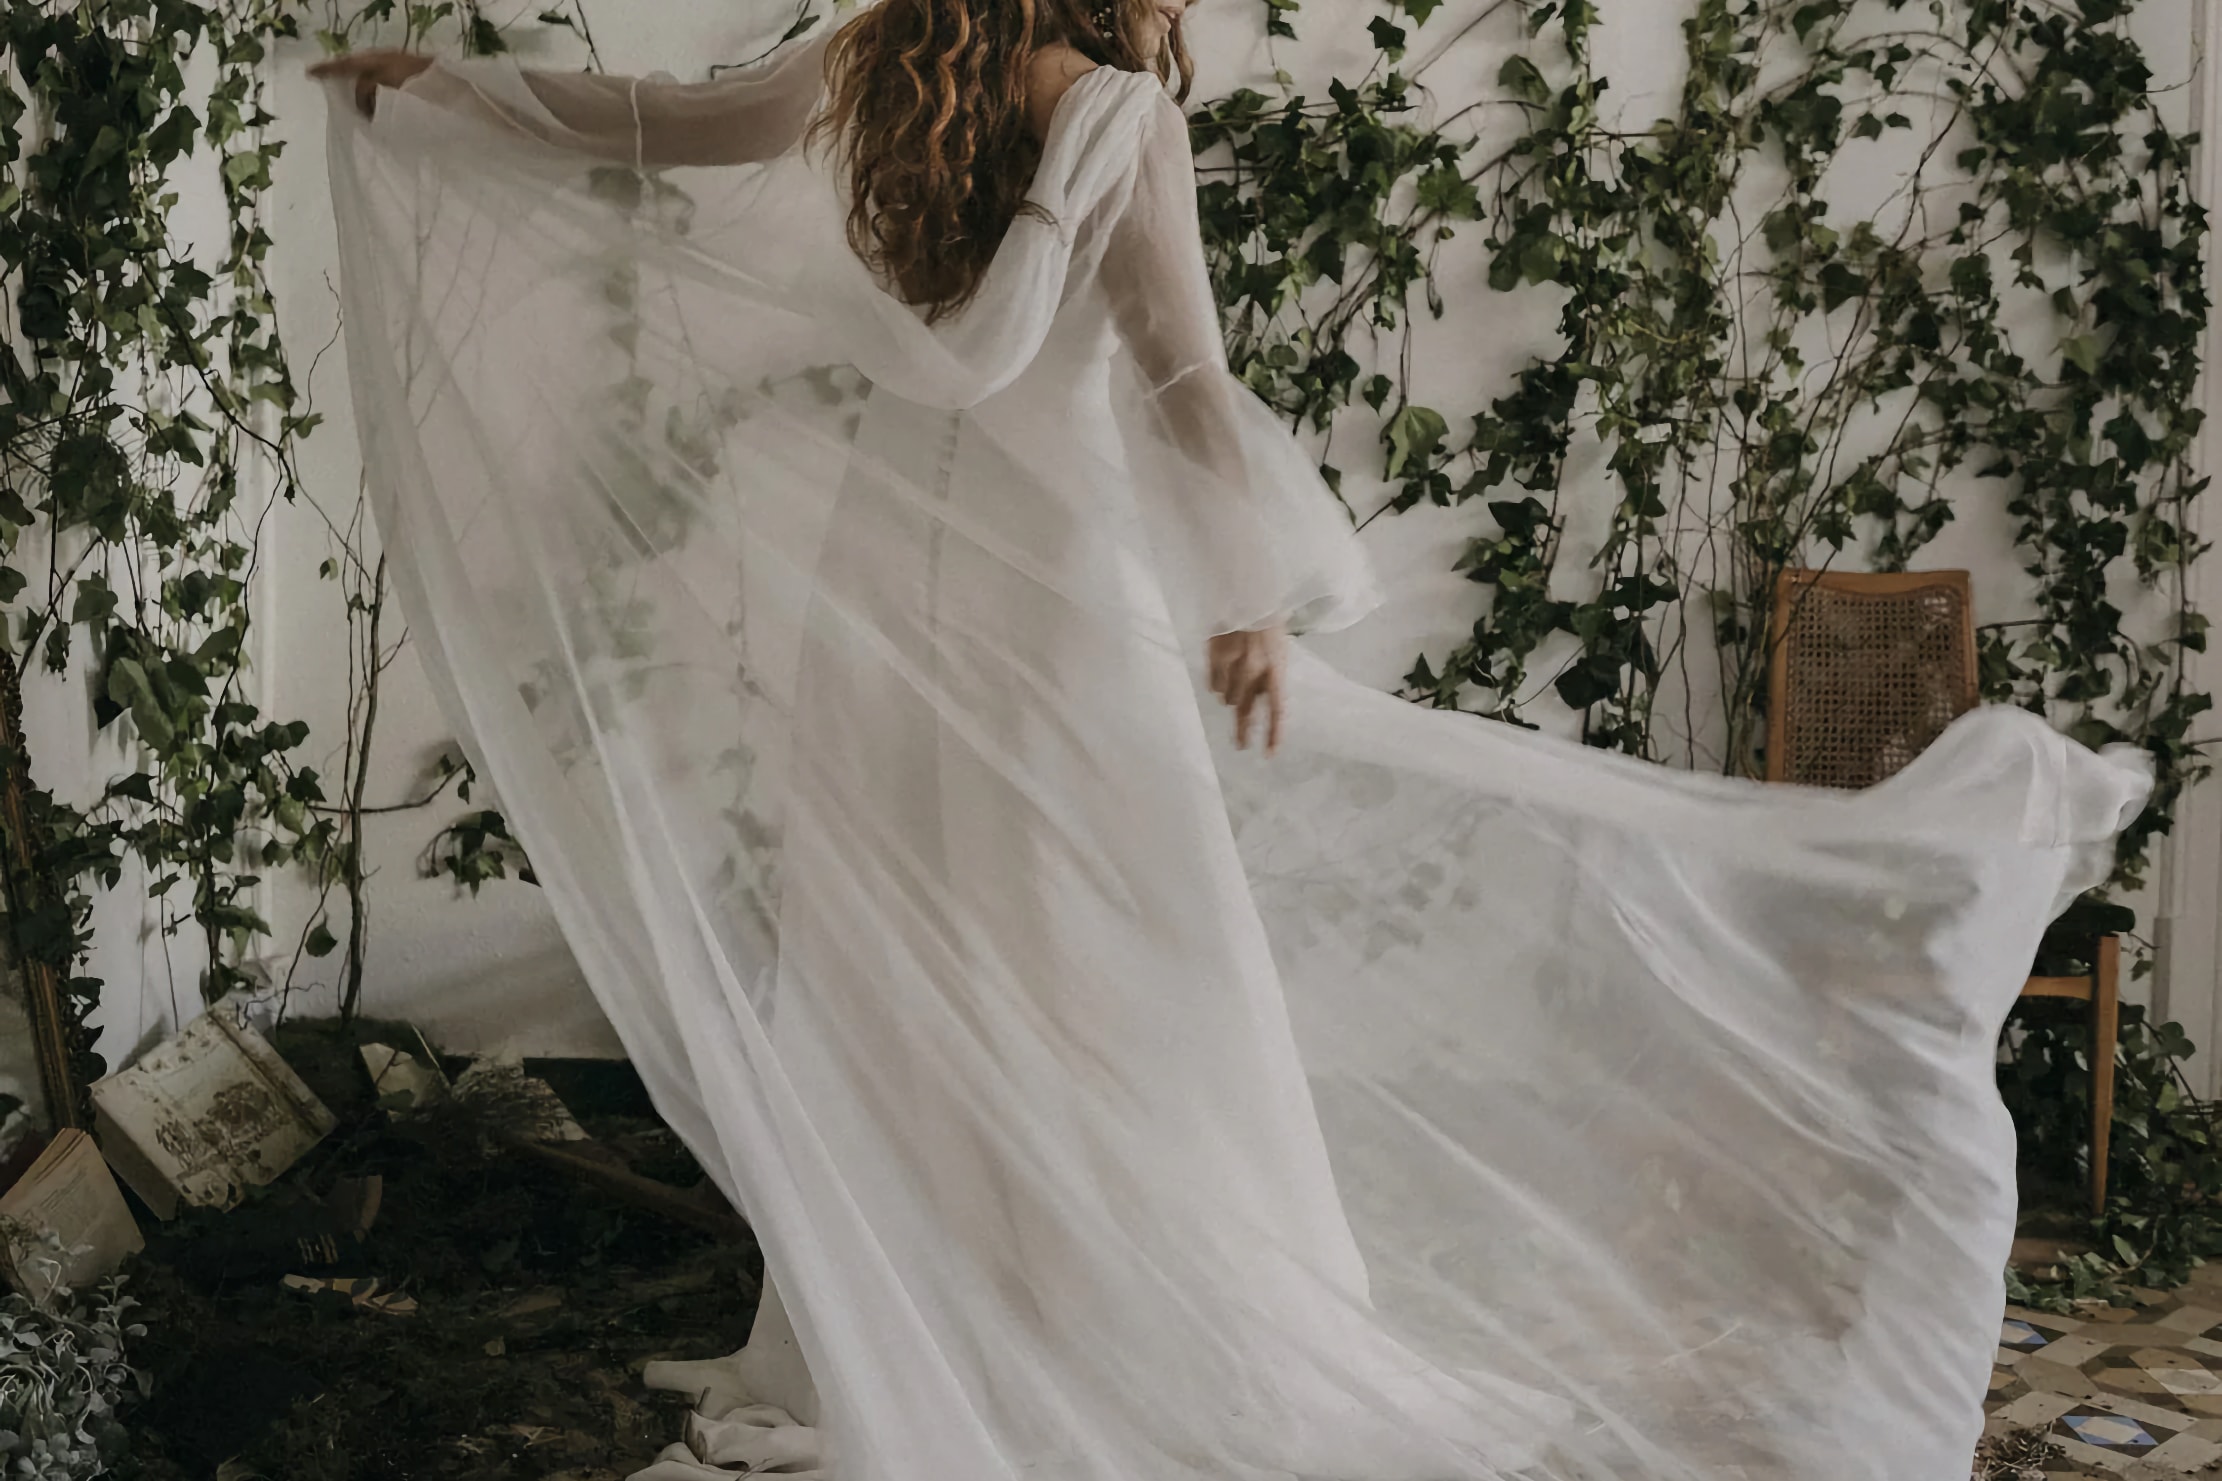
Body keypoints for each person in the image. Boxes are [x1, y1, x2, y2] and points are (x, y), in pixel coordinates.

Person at [310, 5, 2149, 1478]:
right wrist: (1246, 598)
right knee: (1121, 954)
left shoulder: (871, 62)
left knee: (916, 949)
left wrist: (443, 96)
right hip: (1054, 592)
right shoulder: (1115, 114)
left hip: (897, 594)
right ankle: (1137, 1311)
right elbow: (1181, 380)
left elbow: (645, 123)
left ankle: (956, 1309)